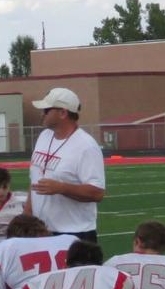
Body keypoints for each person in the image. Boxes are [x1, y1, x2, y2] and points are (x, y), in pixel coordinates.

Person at [25, 88, 105, 241]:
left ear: (63, 113)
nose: (42, 113)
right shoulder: (44, 136)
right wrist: (27, 216)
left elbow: (97, 192)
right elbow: (35, 181)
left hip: (74, 234)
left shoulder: (86, 146)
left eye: (47, 110)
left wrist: (61, 188)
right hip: (41, 231)